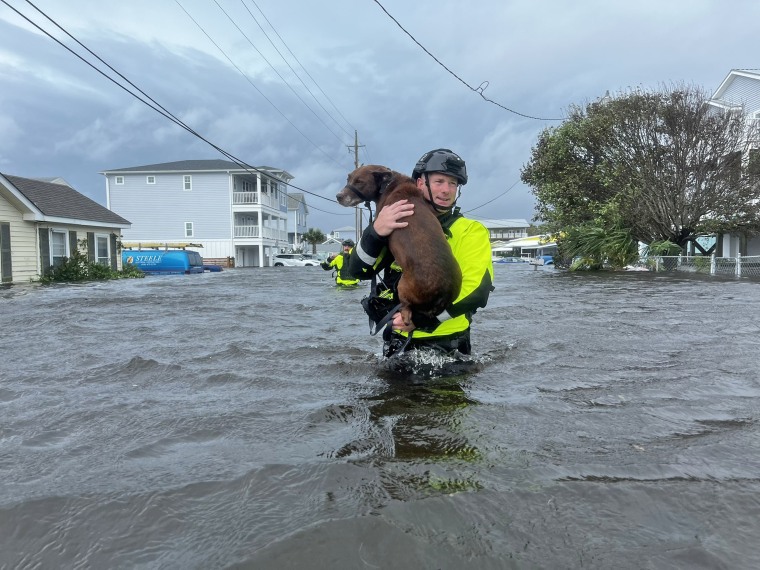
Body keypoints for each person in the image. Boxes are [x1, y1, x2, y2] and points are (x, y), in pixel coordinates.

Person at [347, 148, 494, 357]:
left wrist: (423, 320)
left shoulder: (470, 230)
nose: (447, 190)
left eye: (453, 183)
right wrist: (375, 232)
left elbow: (476, 291)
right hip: (396, 339)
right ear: (419, 183)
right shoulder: (395, 222)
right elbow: (358, 271)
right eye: (439, 181)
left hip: (446, 343)